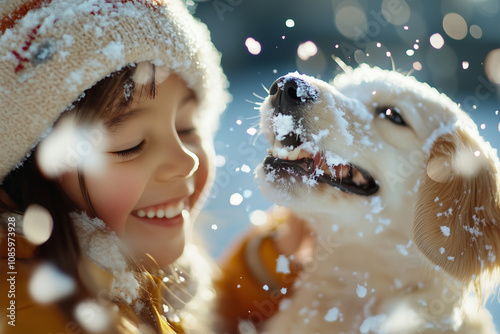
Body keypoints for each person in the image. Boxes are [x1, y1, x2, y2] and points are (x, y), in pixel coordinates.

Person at [0, 0, 309, 333]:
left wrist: (274, 261)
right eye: (130, 145)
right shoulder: (33, 314)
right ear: (27, 166)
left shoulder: (152, 282)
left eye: (187, 128)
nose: (186, 160)